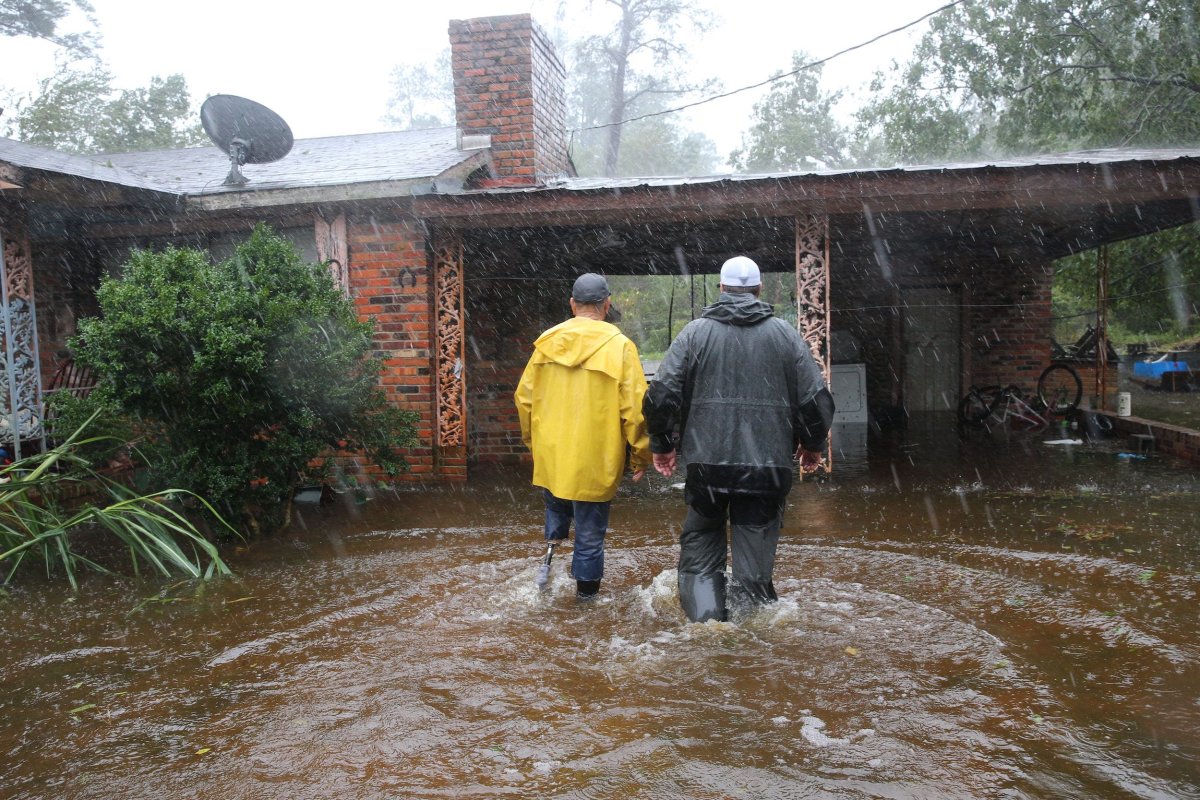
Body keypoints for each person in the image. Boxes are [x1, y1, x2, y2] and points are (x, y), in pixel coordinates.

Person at [643, 255, 835, 622]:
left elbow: (661, 393)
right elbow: (816, 401)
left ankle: (707, 628)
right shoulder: (784, 335)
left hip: (707, 468)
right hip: (766, 470)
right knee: (755, 564)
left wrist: (662, 443)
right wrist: (812, 445)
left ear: (721, 289)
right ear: (759, 290)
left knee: (700, 553)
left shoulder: (694, 333)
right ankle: (753, 642)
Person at [515, 273, 651, 598]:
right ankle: (586, 609)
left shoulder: (546, 342)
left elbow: (524, 399)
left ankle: (547, 563)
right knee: (589, 537)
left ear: (572, 304)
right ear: (606, 305)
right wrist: (641, 455)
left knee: (557, 508)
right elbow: (636, 409)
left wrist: (536, 446)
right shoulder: (620, 346)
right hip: (594, 459)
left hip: (554, 458)